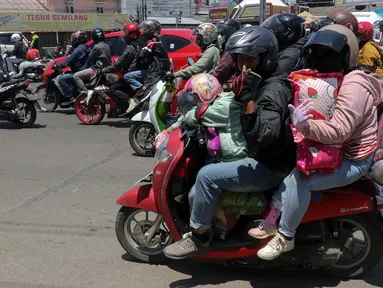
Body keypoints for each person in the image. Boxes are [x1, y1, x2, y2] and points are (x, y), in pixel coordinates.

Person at [162, 26, 295, 259]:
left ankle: (200, 237)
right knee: (198, 188)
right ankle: (222, 228)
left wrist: (247, 100)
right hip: (263, 158)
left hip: (270, 165)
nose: (244, 66)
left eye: (250, 59)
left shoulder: (272, 89)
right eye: (240, 59)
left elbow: (265, 134)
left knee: (206, 175)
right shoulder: (260, 81)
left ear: (267, 58)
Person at [254, 24, 381, 261]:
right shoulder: (335, 79)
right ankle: (274, 218)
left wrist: (305, 126)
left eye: (328, 55)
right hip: (339, 150)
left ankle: (286, 236)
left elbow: (339, 131)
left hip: (354, 159)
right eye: (316, 54)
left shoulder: (353, 87)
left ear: (347, 56)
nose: (320, 60)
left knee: (300, 180)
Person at [126, 19, 170, 113]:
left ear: (151, 30)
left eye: (145, 29)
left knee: (128, 76)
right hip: (154, 69)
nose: (143, 31)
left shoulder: (152, 43)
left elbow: (142, 55)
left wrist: (142, 51)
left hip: (153, 71)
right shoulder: (155, 41)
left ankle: (143, 91)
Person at [73, 28, 112, 96]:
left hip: (97, 69)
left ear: (94, 37)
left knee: (76, 76)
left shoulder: (96, 47)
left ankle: (85, 94)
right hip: (106, 68)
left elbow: (90, 59)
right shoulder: (107, 45)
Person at [55, 30, 89, 106]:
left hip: (79, 72)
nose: (72, 41)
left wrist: (57, 64)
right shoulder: (85, 47)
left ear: (78, 39)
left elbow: (67, 62)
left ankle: (70, 98)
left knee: (61, 79)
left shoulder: (78, 49)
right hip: (85, 70)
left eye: (73, 39)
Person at [210, 18, 241, 84]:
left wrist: (208, 78)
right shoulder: (230, 49)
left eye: (223, 33)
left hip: (228, 86)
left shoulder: (230, 52)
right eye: (219, 33)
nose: (219, 36)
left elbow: (220, 72)